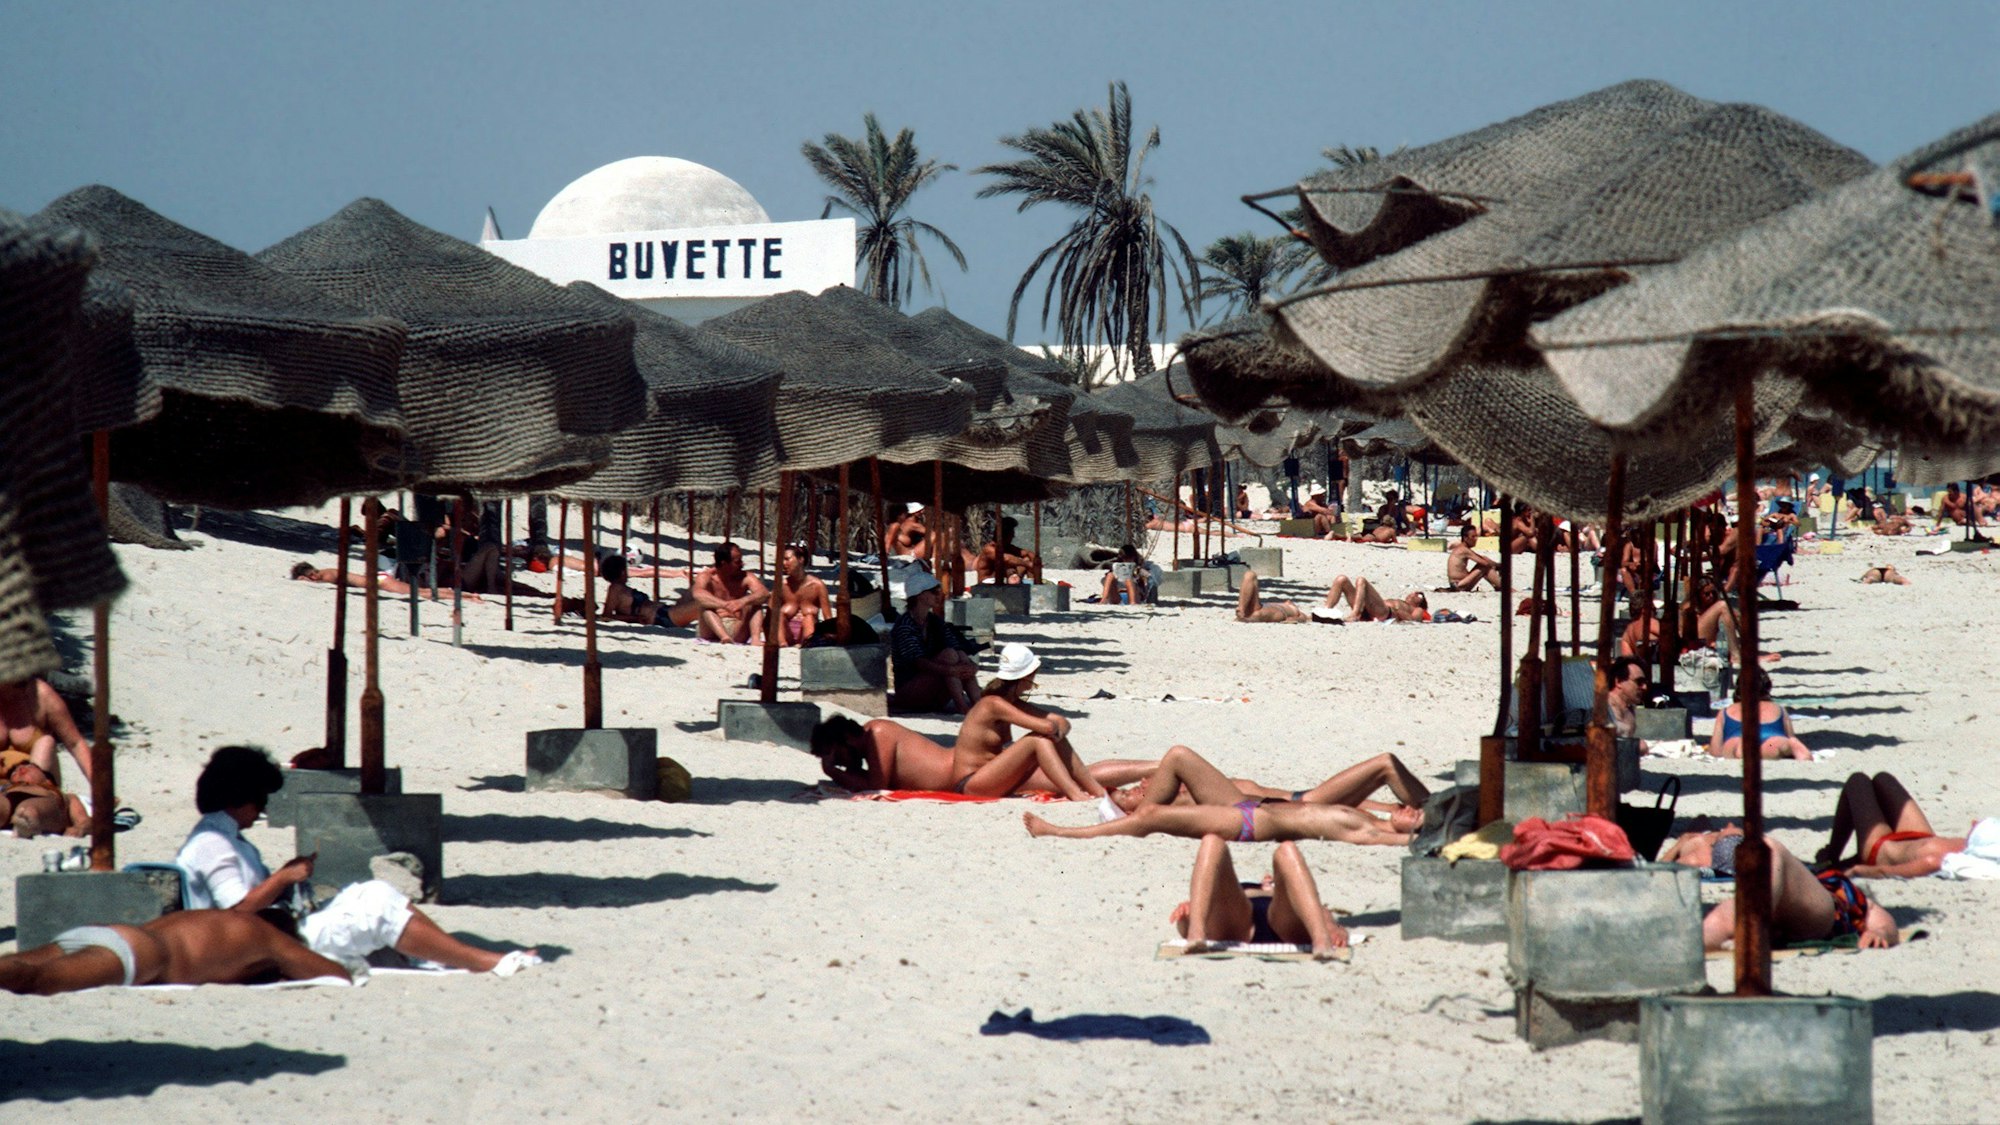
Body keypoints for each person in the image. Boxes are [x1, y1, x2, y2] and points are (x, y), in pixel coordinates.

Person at [177, 746, 542, 976]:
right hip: (266, 945)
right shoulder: (214, 843)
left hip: (276, 932)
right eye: (260, 800)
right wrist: (286, 877)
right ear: (240, 797)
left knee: (372, 892)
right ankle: (481, 961)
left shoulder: (222, 838)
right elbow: (235, 915)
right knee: (378, 906)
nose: (262, 811)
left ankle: (467, 956)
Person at [0, 909, 352, 994]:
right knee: (36, 981)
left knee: (17, 964)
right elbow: (337, 975)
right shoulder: (265, 936)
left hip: (107, 932)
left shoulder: (217, 919)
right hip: (141, 953)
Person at [1663, 830, 1897, 951]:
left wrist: (1881, 933)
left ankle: (1743, 932)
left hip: (1821, 914)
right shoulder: (1827, 886)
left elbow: (1887, 925)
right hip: (1786, 907)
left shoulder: (1854, 898)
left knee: (1770, 850)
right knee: (1717, 926)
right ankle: (1675, 947)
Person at [810, 714, 1152, 794]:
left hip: (966, 774)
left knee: (1073, 778)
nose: (842, 763)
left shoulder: (877, 733)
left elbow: (879, 785)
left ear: (843, 739)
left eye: (837, 755)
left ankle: (1159, 765)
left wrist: (835, 774)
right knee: (1069, 777)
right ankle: (1159, 766)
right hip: (971, 773)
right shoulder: (872, 741)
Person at [1107, 743, 1428, 825]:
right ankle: (1440, 811)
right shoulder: (1164, 805)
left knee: (1386, 770)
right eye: (1127, 796)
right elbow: (1102, 775)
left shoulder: (1191, 789)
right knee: (1384, 764)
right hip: (1299, 805)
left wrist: (1384, 809)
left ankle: (1438, 809)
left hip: (1303, 800)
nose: (1136, 787)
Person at [949, 644, 1107, 800]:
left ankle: (1097, 790)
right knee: (1037, 740)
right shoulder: (993, 704)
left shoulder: (1010, 702)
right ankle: (1075, 793)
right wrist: (1054, 732)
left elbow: (1061, 721)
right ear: (1025, 677)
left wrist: (1057, 735)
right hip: (970, 783)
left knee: (1048, 736)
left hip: (991, 778)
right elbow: (1048, 726)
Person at [1172, 837, 1346, 959]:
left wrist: (1331, 926)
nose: (1268, 879)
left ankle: (1321, 940)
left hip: (1282, 922)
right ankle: (1196, 935)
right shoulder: (1240, 888)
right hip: (1239, 925)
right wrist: (1188, 914)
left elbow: (1319, 909)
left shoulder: (1285, 889)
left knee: (1287, 849)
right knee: (1212, 841)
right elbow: (1187, 921)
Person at [1022, 794, 1416, 847]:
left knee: (1153, 816)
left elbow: (1406, 841)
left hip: (1252, 825)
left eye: (1414, 817)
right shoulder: (1372, 816)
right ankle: (1064, 829)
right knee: (1152, 815)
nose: (1408, 810)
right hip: (1252, 811)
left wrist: (1415, 837)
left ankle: (1059, 831)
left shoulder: (1368, 832)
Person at [1814, 772, 1977, 877]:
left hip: (1883, 850)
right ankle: (1842, 859)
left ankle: (1831, 857)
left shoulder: (1981, 863)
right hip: (1921, 837)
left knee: (1857, 781)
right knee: (1883, 778)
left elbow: (1931, 863)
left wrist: (1864, 871)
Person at [888, 572, 978, 713]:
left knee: (958, 655)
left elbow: (956, 647)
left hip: (932, 691)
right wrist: (951, 670)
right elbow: (918, 663)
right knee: (949, 656)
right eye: (934, 592)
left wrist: (971, 666)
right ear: (920, 595)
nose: (939, 595)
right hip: (909, 690)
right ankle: (963, 707)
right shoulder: (905, 625)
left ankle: (978, 704)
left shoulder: (934, 621)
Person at [2, 676, 98, 792]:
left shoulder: (40, 694)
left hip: (40, 782)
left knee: (46, 743)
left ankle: (30, 794)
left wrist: (100, 788)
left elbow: (75, 743)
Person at [1707, 668, 1810, 761]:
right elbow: (1789, 735)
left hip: (1739, 739)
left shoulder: (1726, 711)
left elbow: (1716, 751)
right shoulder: (1778, 709)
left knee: (1734, 745)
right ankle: (1792, 746)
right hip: (1770, 742)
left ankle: (1742, 748)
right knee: (1781, 743)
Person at [692, 543, 769, 643]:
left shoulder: (746, 577)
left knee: (755, 603)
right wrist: (725, 605)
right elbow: (698, 594)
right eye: (737, 562)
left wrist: (742, 601)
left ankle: (755, 639)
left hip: (736, 627)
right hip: (709, 627)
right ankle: (724, 637)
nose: (742, 564)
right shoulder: (707, 577)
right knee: (705, 605)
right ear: (724, 563)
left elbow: (764, 593)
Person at [290, 561, 477, 602]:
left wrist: (302, 580)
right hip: (378, 579)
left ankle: (465, 597)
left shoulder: (326, 575)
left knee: (421, 593)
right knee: (421, 592)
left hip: (380, 583)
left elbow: (317, 582)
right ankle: (464, 595)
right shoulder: (328, 571)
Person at [599, 554, 700, 628]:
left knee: (697, 586)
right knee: (701, 604)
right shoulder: (615, 588)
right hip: (661, 617)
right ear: (622, 572)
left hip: (665, 612)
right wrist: (634, 619)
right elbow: (607, 615)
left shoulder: (621, 588)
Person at [2, 760, 85, 838]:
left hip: (43, 800)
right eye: (14, 773)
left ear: (48, 780)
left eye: (29, 766)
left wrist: (80, 829)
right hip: (9, 797)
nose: (20, 768)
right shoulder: (9, 789)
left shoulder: (68, 797)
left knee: (29, 811)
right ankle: (24, 822)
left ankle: (26, 821)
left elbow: (83, 820)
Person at [776, 544, 831, 645]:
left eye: (787, 559)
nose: (784, 563)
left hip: (808, 634)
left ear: (800, 559)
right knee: (778, 615)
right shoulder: (782, 586)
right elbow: (770, 616)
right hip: (786, 635)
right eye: (782, 560)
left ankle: (807, 644)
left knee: (809, 618)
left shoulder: (817, 585)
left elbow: (829, 619)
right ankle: (782, 644)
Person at [1325, 574, 1428, 622]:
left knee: (1361, 581)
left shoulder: (1417, 609)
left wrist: (1398, 611)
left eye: (1419, 595)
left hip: (1385, 613)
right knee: (1341, 579)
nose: (1414, 594)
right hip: (1368, 608)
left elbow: (1414, 620)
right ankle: (1324, 612)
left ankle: (1355, 614)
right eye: (1414, 592)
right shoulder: (1400, 601)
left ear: (1421, 603)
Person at [1233, 569, 1318, 624]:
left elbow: (1304, 618)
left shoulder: (1296, 610)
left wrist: (1293, 620)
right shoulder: (1287, 607)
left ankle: (1241, 610)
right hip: (1262, 610)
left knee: (1250, 575)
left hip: (1266, 612)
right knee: (1250, 575)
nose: (1288, 600)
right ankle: (1242, 610)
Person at [974, 517, 1038, 585]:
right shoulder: (989, 549)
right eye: (1011, 533)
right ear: (1005, 534)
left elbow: (1026, 553)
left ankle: (1033, 585)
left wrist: (1035, 561)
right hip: (987, 584)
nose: (1013, 536)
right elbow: (1006, 559)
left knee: (1027, 559)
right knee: (1010, 564)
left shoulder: (1007, 547)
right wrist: (1028, 564)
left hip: (1004, 583)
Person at [1604, 656, 1650, 740]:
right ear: (1619, 682)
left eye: (1644, 682)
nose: (1644, 687)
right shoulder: (1605, 706)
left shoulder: (1629, 709)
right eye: (1639, 682)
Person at [1446, 526, 1501, 591]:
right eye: (1473, 537)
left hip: (1458, 584)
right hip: (1459, 585)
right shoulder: (1463, 550)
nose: (1476, 539)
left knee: (1484, 562)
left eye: (1476, 536)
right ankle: (1503, 587)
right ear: (1465, 538)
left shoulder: (1461, 548)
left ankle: (1499, 586)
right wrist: (1498, 566)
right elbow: (1485, 563)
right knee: (1484, 566)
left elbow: (1482, 558)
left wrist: (1498, 565)